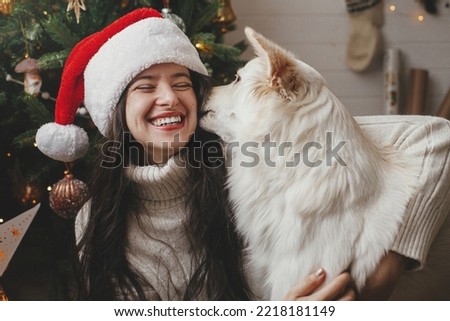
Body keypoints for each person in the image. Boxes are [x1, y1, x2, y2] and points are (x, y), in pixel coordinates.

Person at [35, 8, 450, 300]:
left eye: (181, 82)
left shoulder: (251, 157)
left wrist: (392, 262)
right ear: (116, 113)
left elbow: (435, 139)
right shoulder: (96, 219)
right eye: (145, 87)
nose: (169, 99)